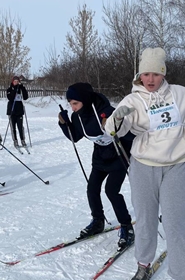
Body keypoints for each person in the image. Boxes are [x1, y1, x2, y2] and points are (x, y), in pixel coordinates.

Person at [104, 47, 185, 280]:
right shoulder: (132, 100)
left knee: (175, 227)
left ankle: (180, 275)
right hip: (143, 167)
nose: (150, 79)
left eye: (156, 73)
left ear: (163, 73)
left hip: (176, 166)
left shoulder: (179, 94)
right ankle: (143, 265)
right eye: (146, 74)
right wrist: (117, 119)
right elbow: (113, 130)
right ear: (139, 75)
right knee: (146, 222)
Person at [58, 82, 135, 250]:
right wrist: (64, 124)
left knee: (111, 191)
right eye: (70, 104)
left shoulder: (105, 111)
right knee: (92, 188)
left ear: (84, 100)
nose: (72, 107)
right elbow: (75, 136)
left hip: (118, 156)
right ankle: (98, 221)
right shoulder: (77, 116)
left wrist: (110, 123)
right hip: (100, 157)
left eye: (75, 103)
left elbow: (124, 129)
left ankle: (126, 227)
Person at [6, 76, 29, 148]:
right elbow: (10, 98)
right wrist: (14, 89)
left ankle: (22, 140)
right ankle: (15, 140)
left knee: (20, 127)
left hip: (19, 111)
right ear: (12, 82)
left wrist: (23, 88)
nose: (16, 82)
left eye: (17, 81)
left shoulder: (20, 89)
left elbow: (25, 97)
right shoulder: (9, 89)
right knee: (13, 128)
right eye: (15, 81)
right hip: (12, 111)